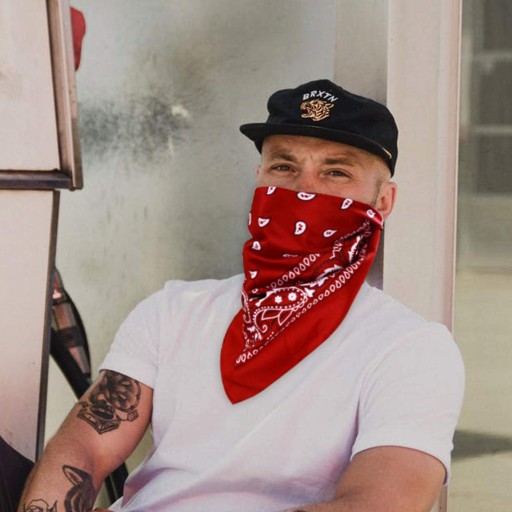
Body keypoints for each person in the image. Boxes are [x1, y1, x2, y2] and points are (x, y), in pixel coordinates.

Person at [18, 79, 464, 512]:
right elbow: (83, 449)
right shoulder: (173, 311)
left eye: (336, 172)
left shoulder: (409, 348)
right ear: (259, 177)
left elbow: (382, 504)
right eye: (284, 167)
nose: (304, 189)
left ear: (383, 201)